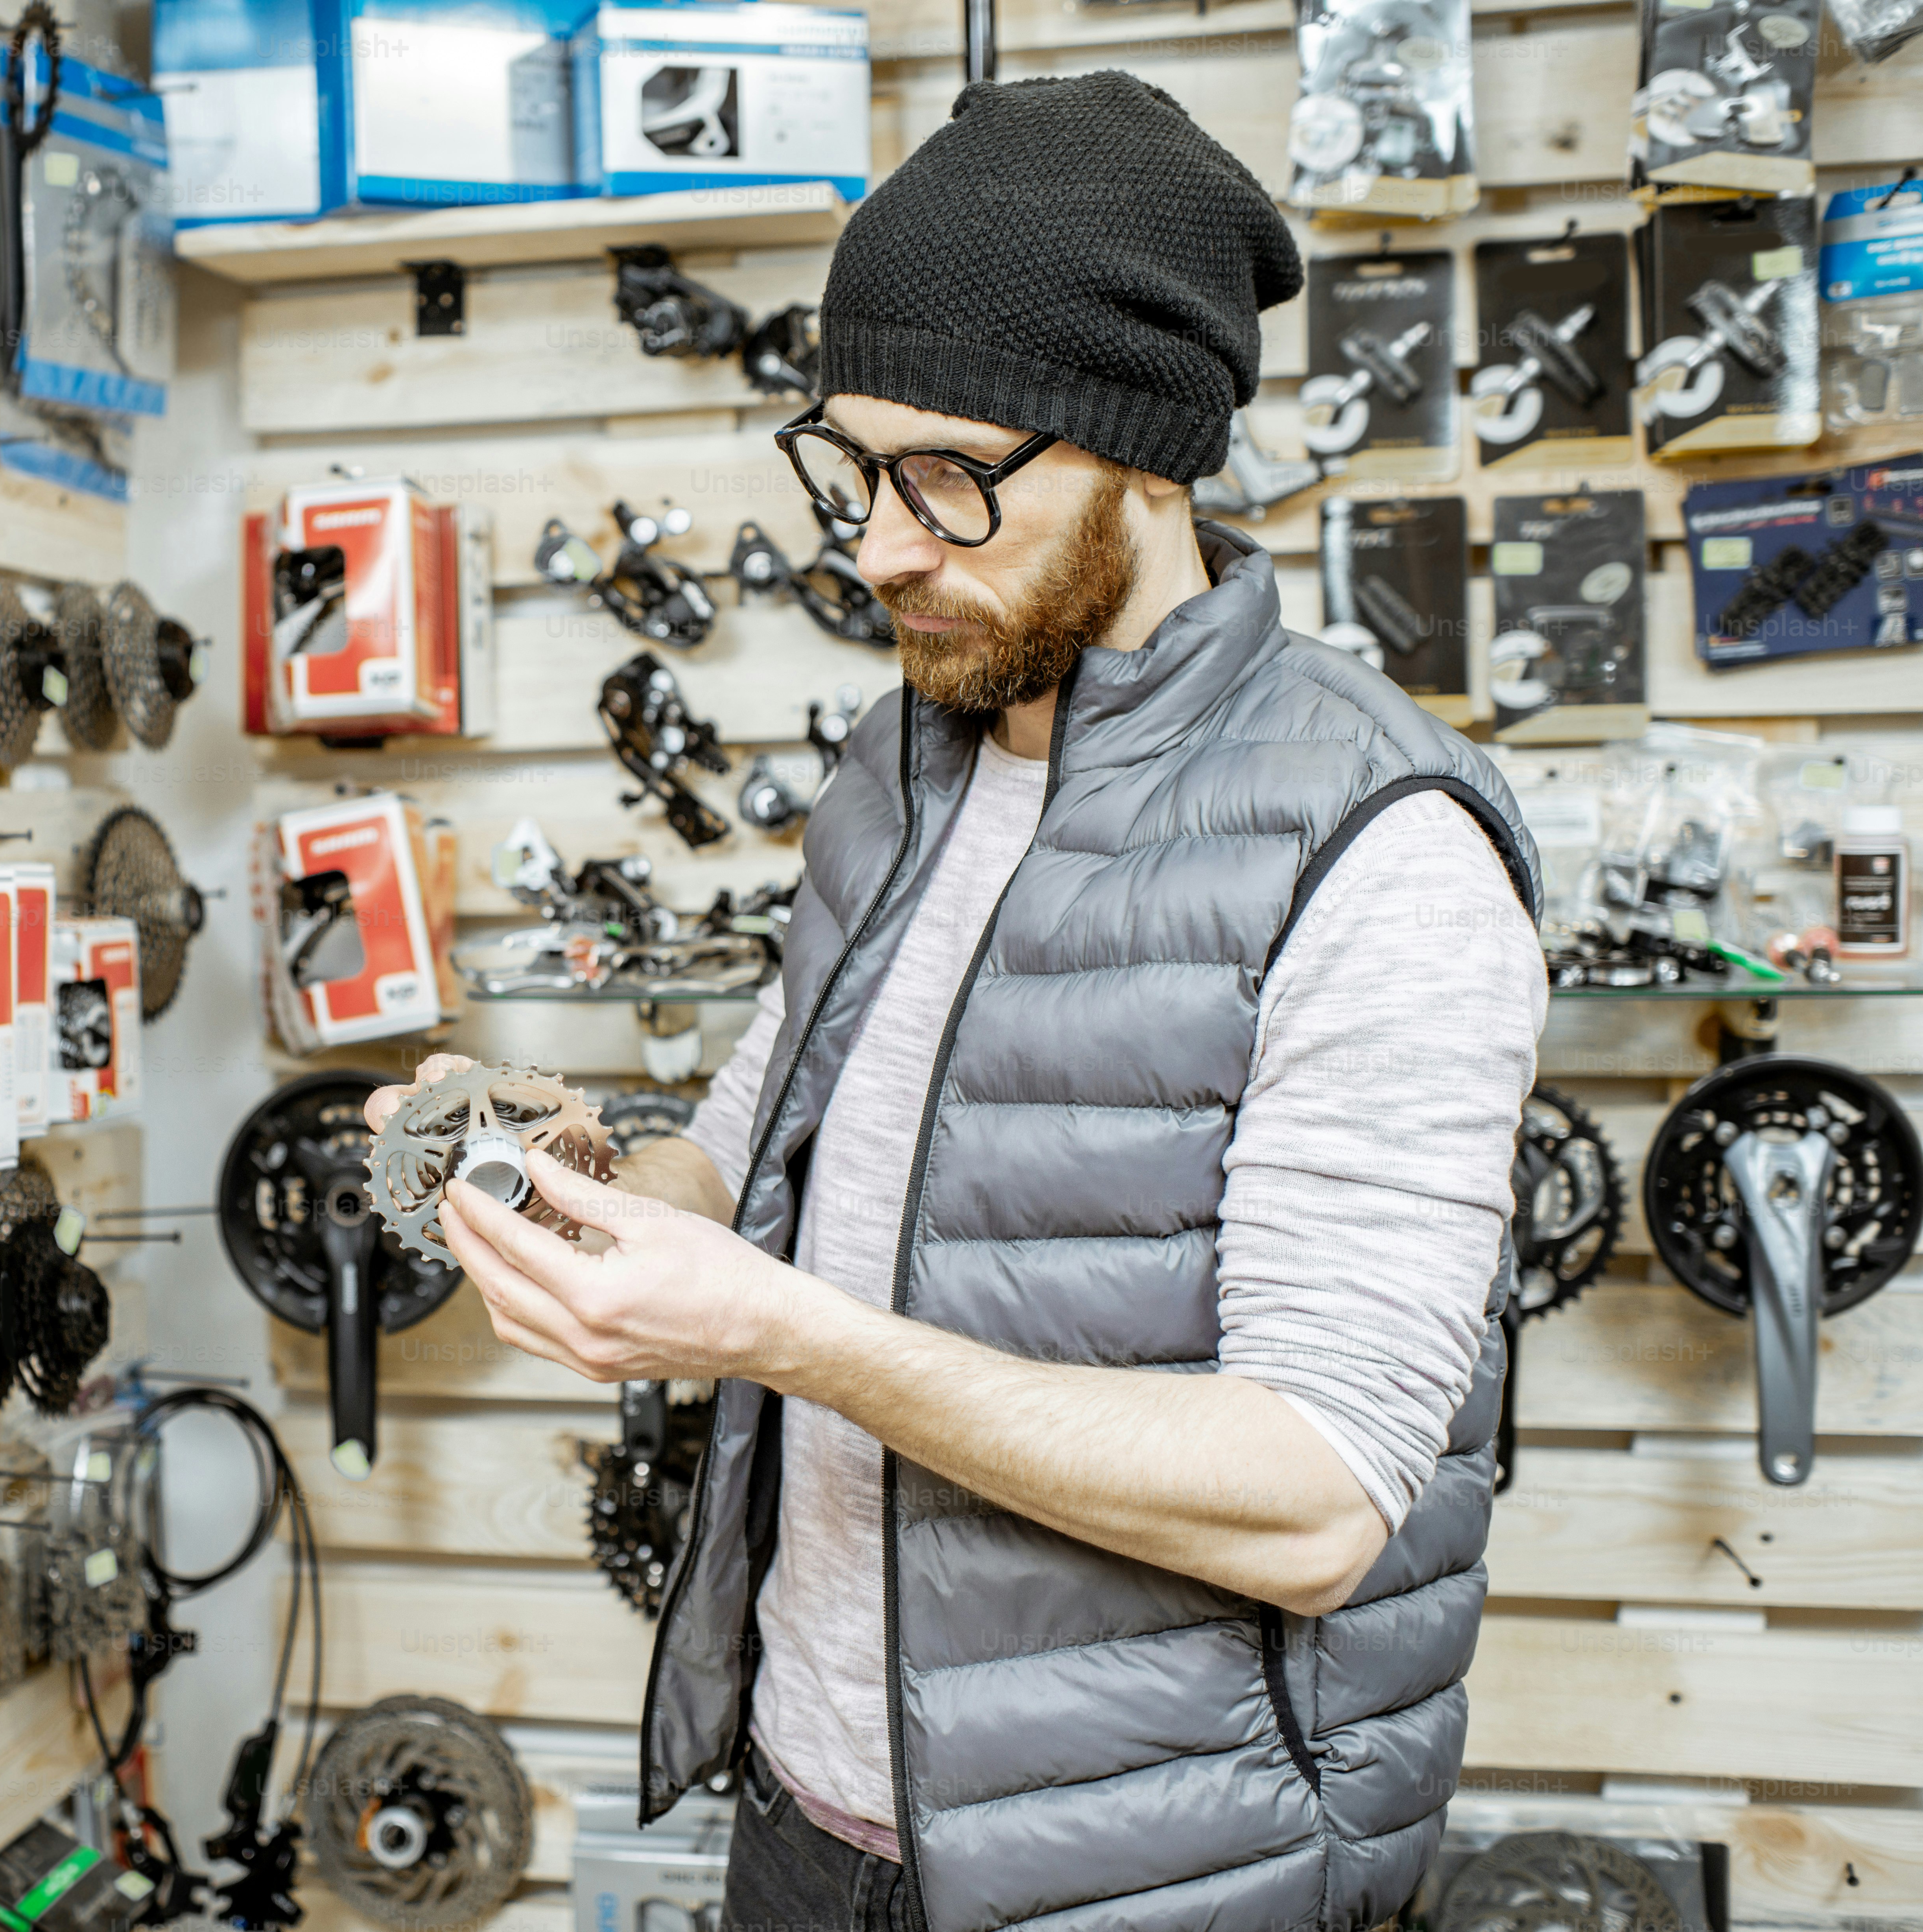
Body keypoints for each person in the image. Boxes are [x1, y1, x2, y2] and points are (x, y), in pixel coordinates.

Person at [363, 71, 1548, 1932]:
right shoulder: (901, 761)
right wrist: (577, 1170)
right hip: (811, 1815)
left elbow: (1317, 1500)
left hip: (1159, 1874)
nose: (879, 545)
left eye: (948, 478)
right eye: (850, 465)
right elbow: (749, 1157)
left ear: (1141, 456)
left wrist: (772, 1329)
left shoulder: (1375, 843)